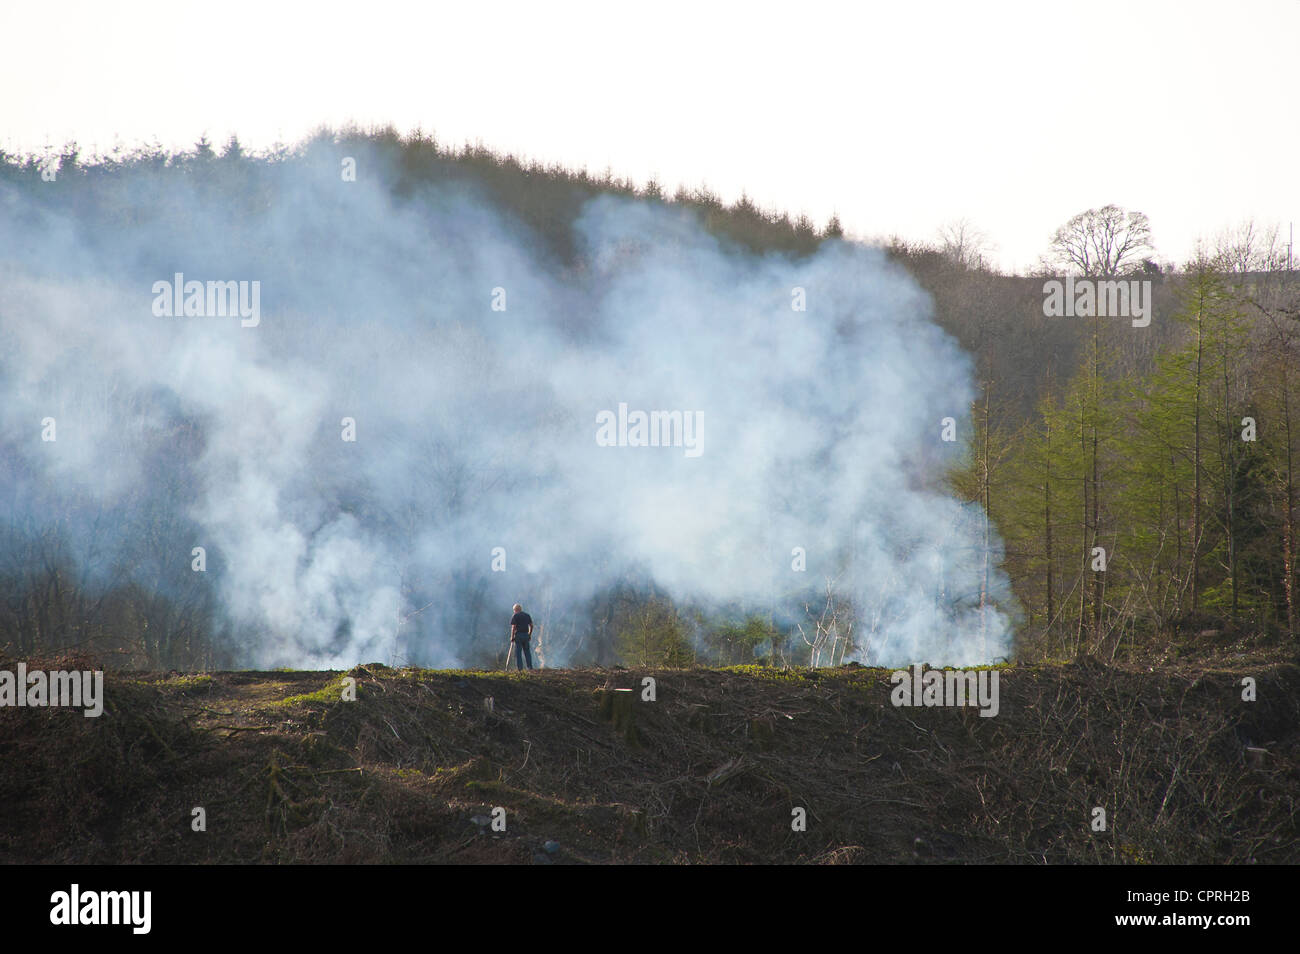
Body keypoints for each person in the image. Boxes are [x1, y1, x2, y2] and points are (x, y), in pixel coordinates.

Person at [509, 603, 534, 670]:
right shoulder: (527, 615)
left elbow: (513, 627)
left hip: (518, 635)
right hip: (526, 635)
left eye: (514, 610)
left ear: (515, 610)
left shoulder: (515, 616)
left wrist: (512, 636)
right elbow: (531, 625)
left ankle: (520, 669)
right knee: (527, 652)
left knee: (518, 653)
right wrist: (529, 634)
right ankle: (530, 667)